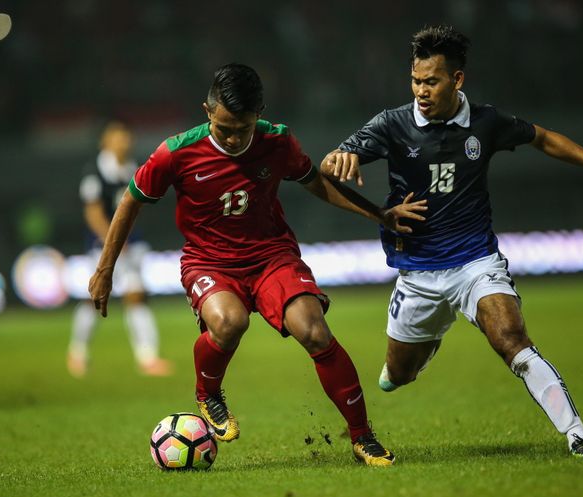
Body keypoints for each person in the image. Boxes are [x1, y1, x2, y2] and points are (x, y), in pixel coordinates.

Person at [321, 25, 583, 458]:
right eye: (416, 81)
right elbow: (328, 165)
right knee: (397, 375)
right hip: (417, 272)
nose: (421, 91)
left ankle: (577, 434)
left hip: (476, 261)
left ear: (457, 80)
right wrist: (337, 158)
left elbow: (544, 138)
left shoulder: (486, 123)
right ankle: (427, 340)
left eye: (431, 81)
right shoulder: (392, 124)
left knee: (511, 337)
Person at [88, 63, 425, 466]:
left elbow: (315, 181)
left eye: (242, 129)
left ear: (258, 114)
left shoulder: (277, 141)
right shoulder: (175, 152)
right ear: (207, 110)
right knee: (230, 322)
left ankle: (361, 436)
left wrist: (379, 214)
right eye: (224, 128)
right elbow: (131, 200)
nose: (233, 138)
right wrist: (105, 270)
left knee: (315, 331)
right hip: (209, 260)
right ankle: (208, 392)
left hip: (271, 256)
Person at [68, 122, 173, 378]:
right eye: (117, 138)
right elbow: (92, 211)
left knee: (136, 296)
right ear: (106, 143)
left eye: (126, 138)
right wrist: (111, 240)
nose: (123, 143)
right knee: (94, 298)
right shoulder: (95, 171)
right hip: (102, 246)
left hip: (133, 245)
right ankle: (78, 351)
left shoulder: (133, 168)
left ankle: (147, 357)